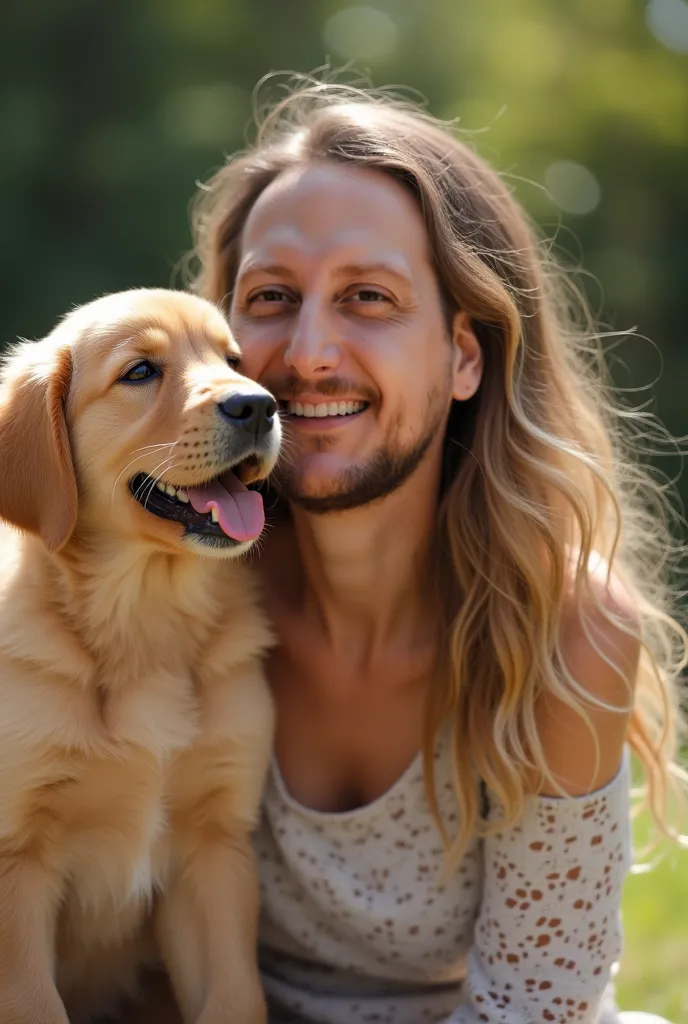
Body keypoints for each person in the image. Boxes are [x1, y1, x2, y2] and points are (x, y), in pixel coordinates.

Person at [139, 79, 686, 1024]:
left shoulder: (566, 632)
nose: (309, 353)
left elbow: (535, 1009)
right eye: (272, 297)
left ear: (464, 356)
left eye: (369, 298)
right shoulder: (163, 588)